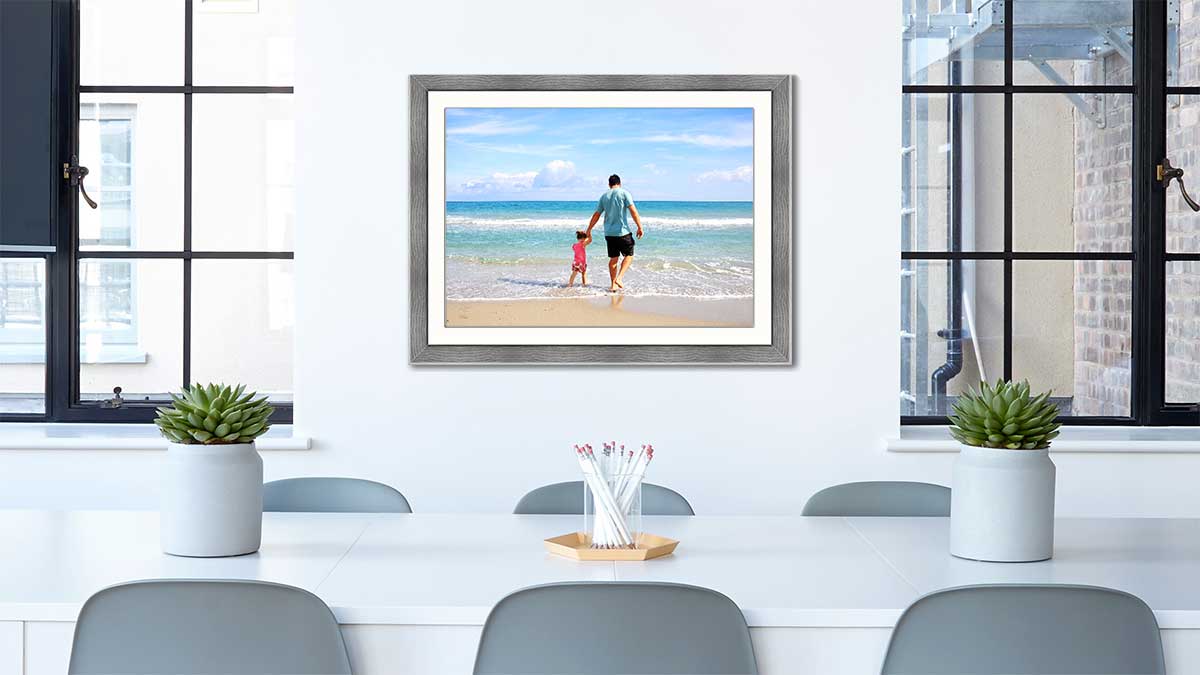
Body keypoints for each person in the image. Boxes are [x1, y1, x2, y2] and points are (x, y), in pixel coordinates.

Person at [586, 174, 644, 292]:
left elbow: (597, 215)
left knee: (613, 259)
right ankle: (619, 278)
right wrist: (639, 227)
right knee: (629, 255)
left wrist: (589, 229)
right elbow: (633, 211)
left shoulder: (604, 196)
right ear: (620, 183)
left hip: (609, 233)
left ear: (609, 184)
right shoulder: (624, 193)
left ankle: (613, 285)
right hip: (622, 232)